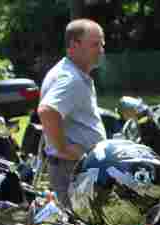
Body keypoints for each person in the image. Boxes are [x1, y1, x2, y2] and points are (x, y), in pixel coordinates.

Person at [38, 18, 108, 206]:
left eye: (102, 44)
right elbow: (47, 111)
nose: (101, 50)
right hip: (72, 169)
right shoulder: (71, 78)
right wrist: (64, 149)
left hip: (73, 167)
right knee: (81, 222)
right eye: (95, 44)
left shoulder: (70, 72)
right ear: (74, 45)